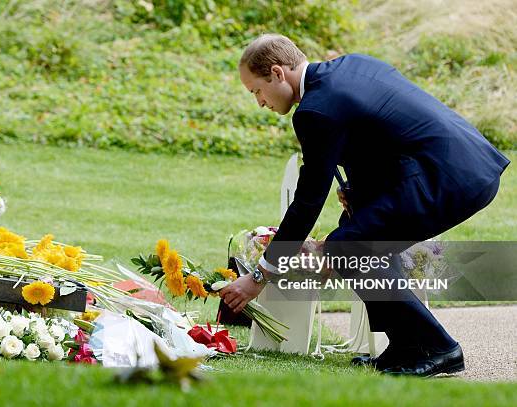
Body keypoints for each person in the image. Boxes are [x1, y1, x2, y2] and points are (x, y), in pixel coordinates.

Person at [219, 34, 510, 377]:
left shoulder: (314, 111)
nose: (260, 102)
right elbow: (382, 134)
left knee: (347, 246)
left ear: (278, 73)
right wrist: (359, 192)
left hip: (449, 177)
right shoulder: (352, 66)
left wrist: (260, 276)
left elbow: (308, 201)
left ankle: (439, 347)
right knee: (353, 239)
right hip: (463, 164)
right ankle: (406, 345)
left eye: (257, 91)